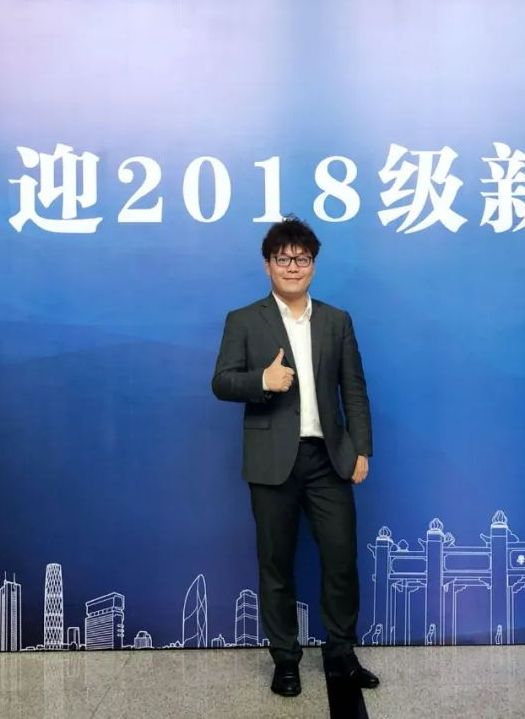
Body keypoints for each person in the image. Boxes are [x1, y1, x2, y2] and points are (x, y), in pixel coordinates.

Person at [211, 217, 379, 697]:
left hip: (329, 458)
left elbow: (354, 390)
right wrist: (262, 381)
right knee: (276, 565)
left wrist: (361, 448)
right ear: (268, 265)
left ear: (313, 265)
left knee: (341, 559)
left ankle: (341, 655)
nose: (292, 266)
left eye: (301, 258)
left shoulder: (336, 320)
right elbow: (222, 382)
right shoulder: (244, 320)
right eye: (282, 258)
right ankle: (285, 660)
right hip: (271, 461)